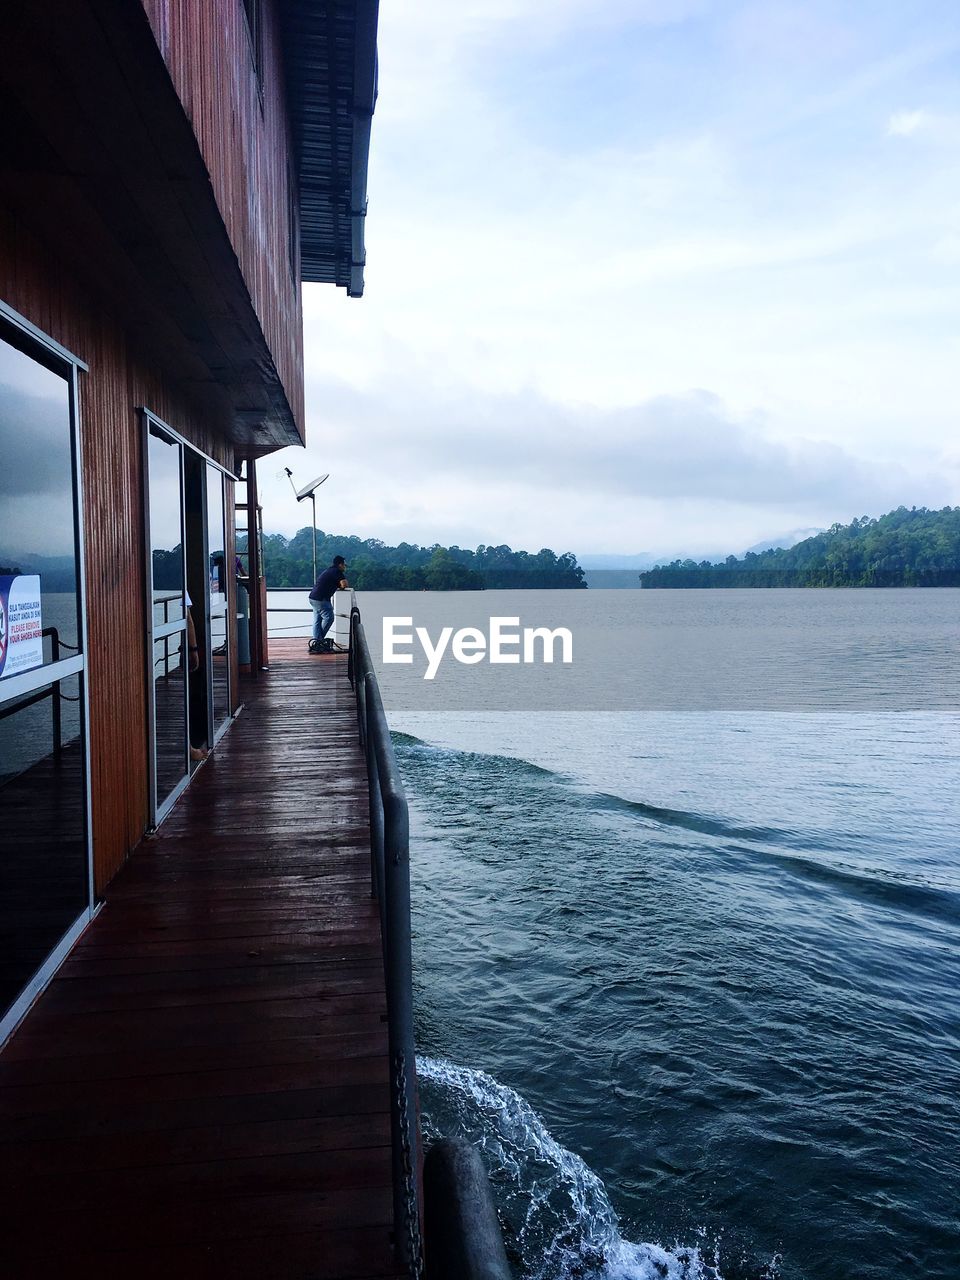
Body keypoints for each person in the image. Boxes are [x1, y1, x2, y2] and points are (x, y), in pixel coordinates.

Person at [308, 555, 349, 653]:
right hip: (321, 599)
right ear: (340, 565)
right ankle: (318, 642)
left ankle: (317, 643)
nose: (345, 567)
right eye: (344, 565)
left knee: (317, 621)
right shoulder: (336, 571)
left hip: (313, 598)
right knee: (329, 618)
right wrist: (340, 584)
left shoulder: (329, 570)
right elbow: (344, 584)